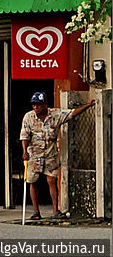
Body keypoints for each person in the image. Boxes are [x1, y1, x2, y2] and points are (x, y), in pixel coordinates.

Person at [20, 92, 96, 220]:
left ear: (45, 105)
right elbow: (24, 136)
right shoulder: (28, 117)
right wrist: (25, 152)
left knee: (51, 180)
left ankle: (56, 210)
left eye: (38, 105)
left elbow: (72, 113)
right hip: (35, 153)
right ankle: (36, 212)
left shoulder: (55, 115)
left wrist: (88, 105)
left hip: (50, 152)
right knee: (33, 181)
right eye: (33, 105)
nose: (35, 107)